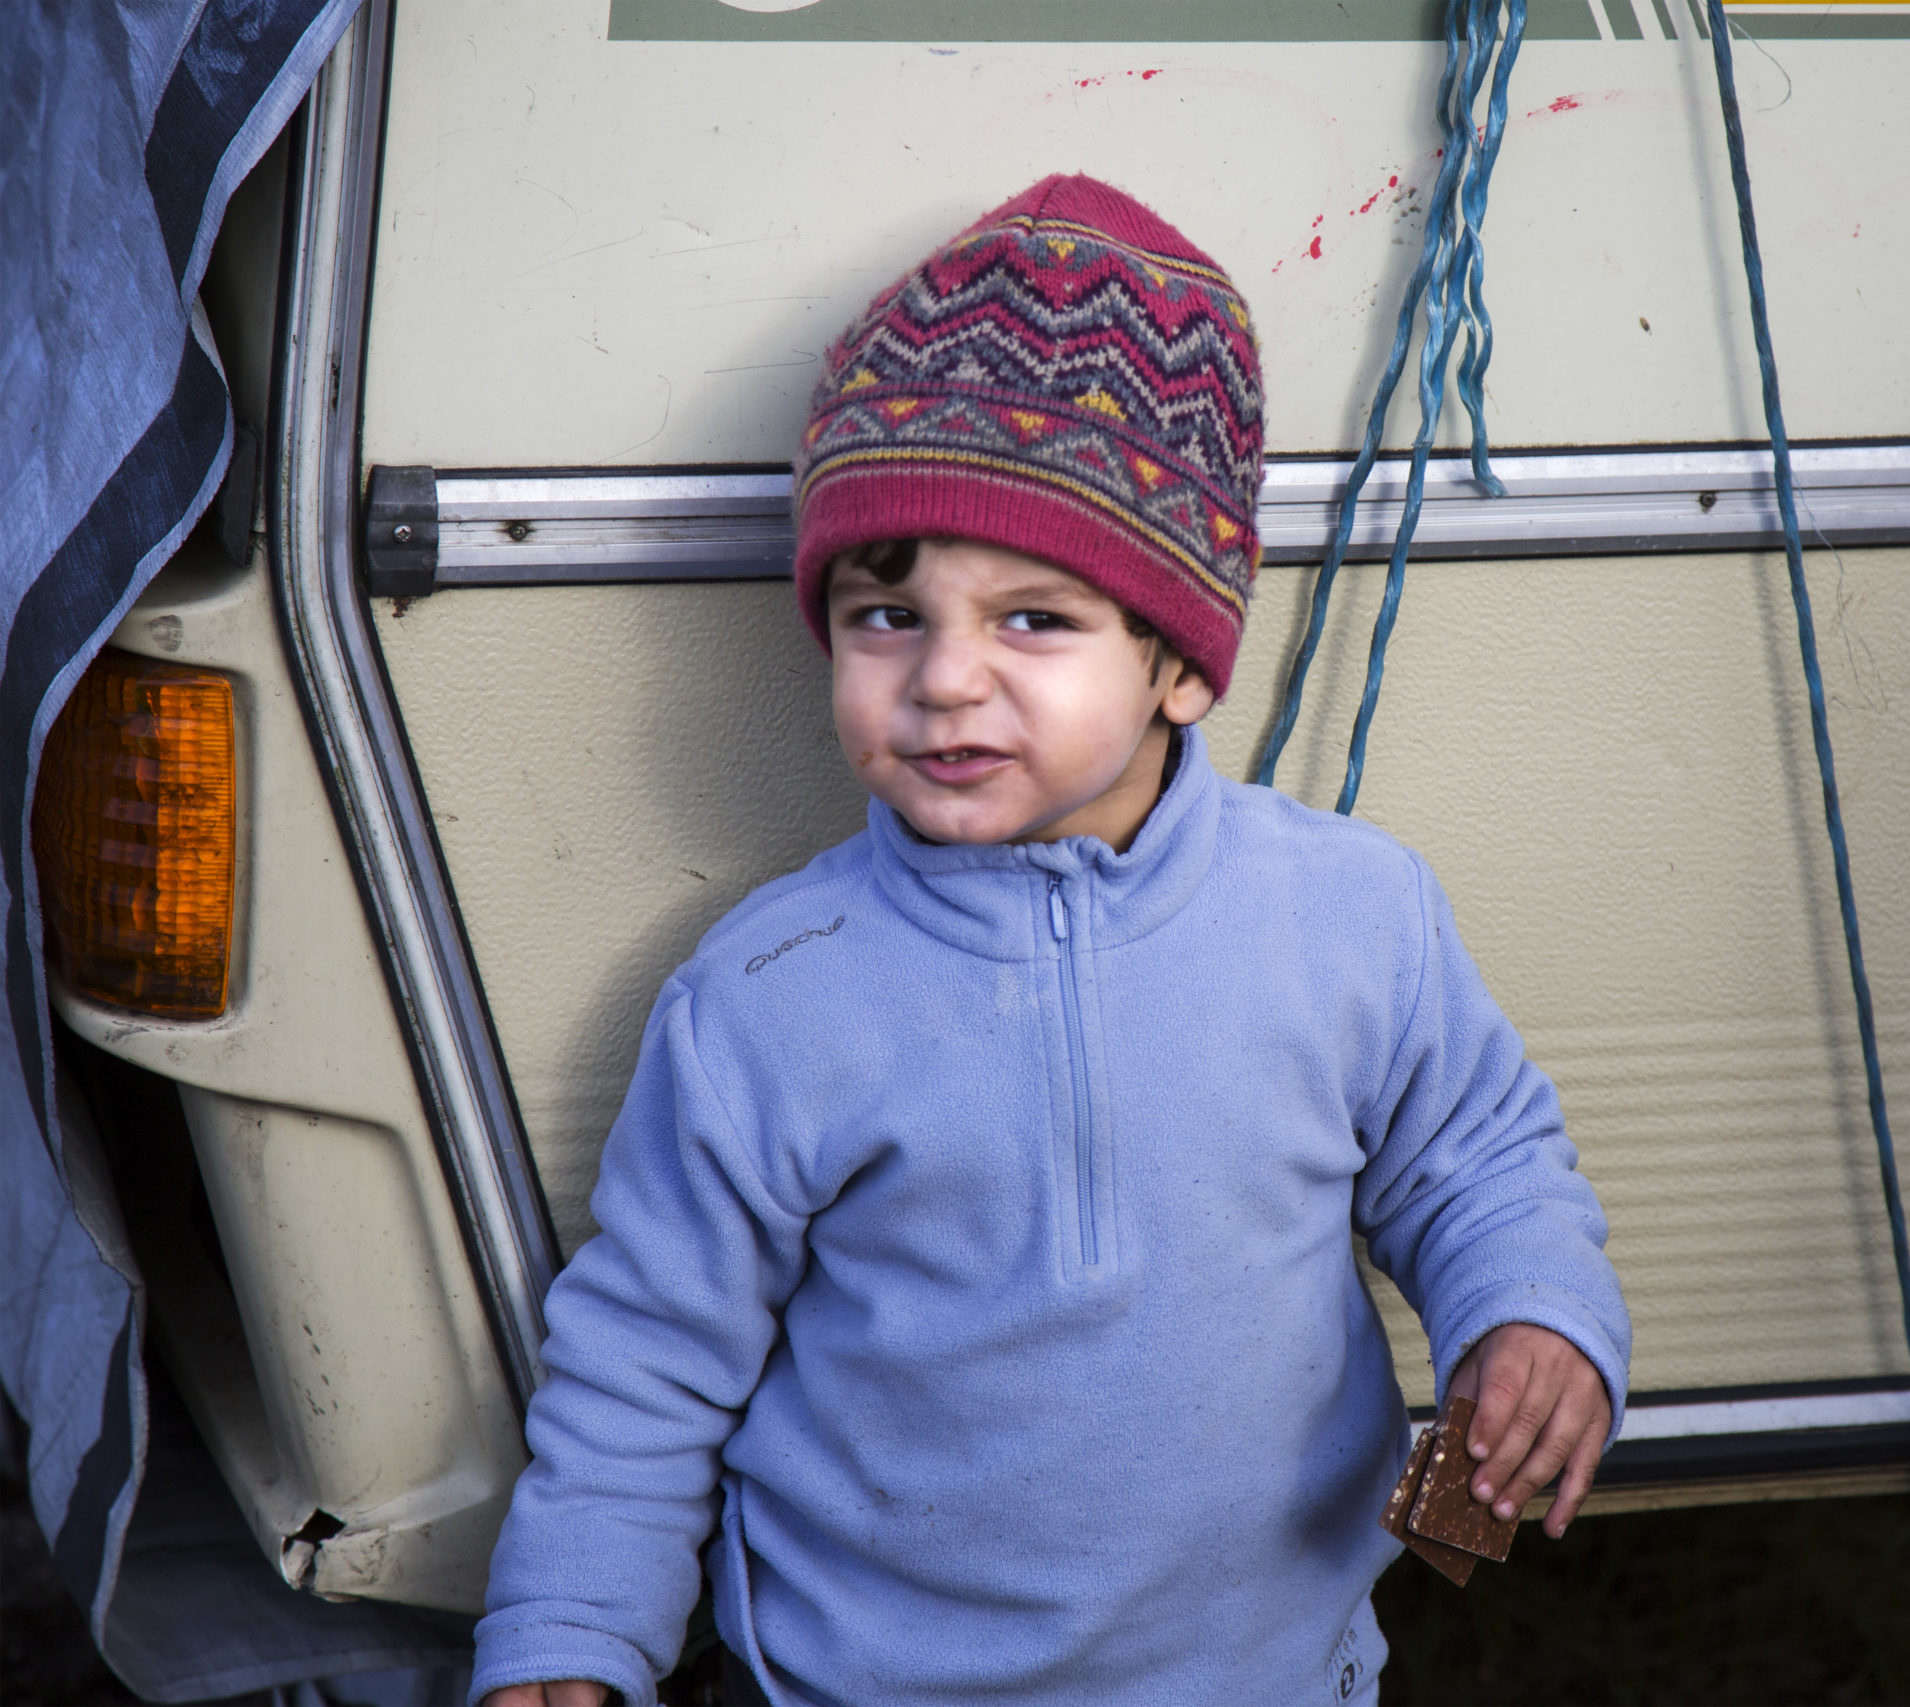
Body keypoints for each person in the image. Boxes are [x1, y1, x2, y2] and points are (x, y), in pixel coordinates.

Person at [470, 174, 1631, 1707]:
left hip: (1264, 1675)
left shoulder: (1348, 915)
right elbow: (644, 1360)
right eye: (888, 615)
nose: (945, 681)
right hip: (858, 1680)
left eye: (1034, 620)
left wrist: (1535, 1313)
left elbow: (1477, 1157)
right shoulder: (766, 995)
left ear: (1181, 668)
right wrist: (569, 1632)